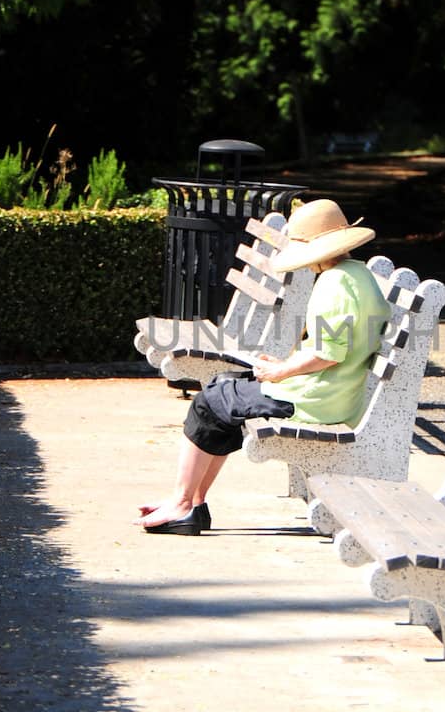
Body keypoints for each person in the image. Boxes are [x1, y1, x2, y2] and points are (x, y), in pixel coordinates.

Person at [137, 198, 390, 534]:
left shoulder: (334, 284)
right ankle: (190, 503)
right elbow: (333, 348)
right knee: (223, 388)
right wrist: (285, 364)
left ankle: (183, 505)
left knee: (207, 402)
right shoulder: (356, 274)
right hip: (335, 391)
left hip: (317, 400)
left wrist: (280, 372)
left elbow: (329, 354)